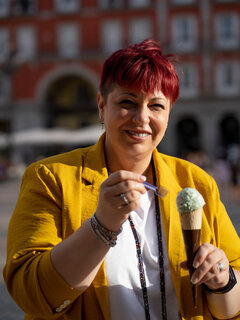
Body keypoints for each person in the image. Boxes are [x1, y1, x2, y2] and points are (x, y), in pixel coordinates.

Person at [3, 39, 240, 320]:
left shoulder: (195, 182)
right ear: (102, 106)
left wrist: (223, 279)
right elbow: (31, 294)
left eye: (156, 105)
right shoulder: (50, 178)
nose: (142, 117)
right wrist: (101, 225)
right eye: (127, 102)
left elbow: (231, 306)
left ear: (168, 113)